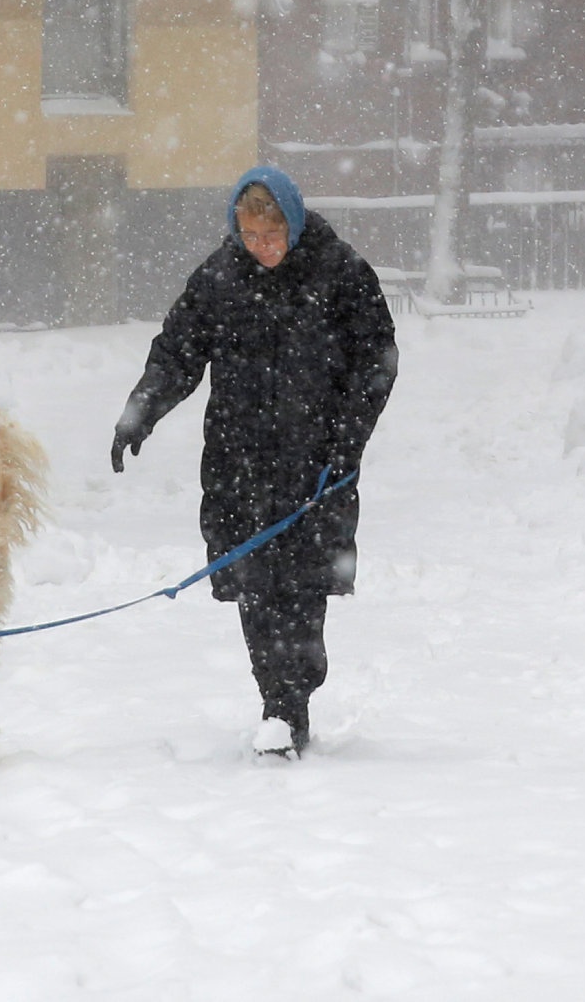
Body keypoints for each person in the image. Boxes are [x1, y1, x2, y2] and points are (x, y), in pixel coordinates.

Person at [112, 164, 398, 758]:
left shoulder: (340, 272)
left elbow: (376, 361)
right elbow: (178, 350)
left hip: (315, 464)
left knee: (302, 586)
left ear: (293, 224)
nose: (261, 248)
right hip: (237, 461)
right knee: (253, 587)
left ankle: (290, 707)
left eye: (271, 235)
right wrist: (141, 411)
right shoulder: (220, 278)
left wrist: (346, 444)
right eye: (249, 236)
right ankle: (276, 699)